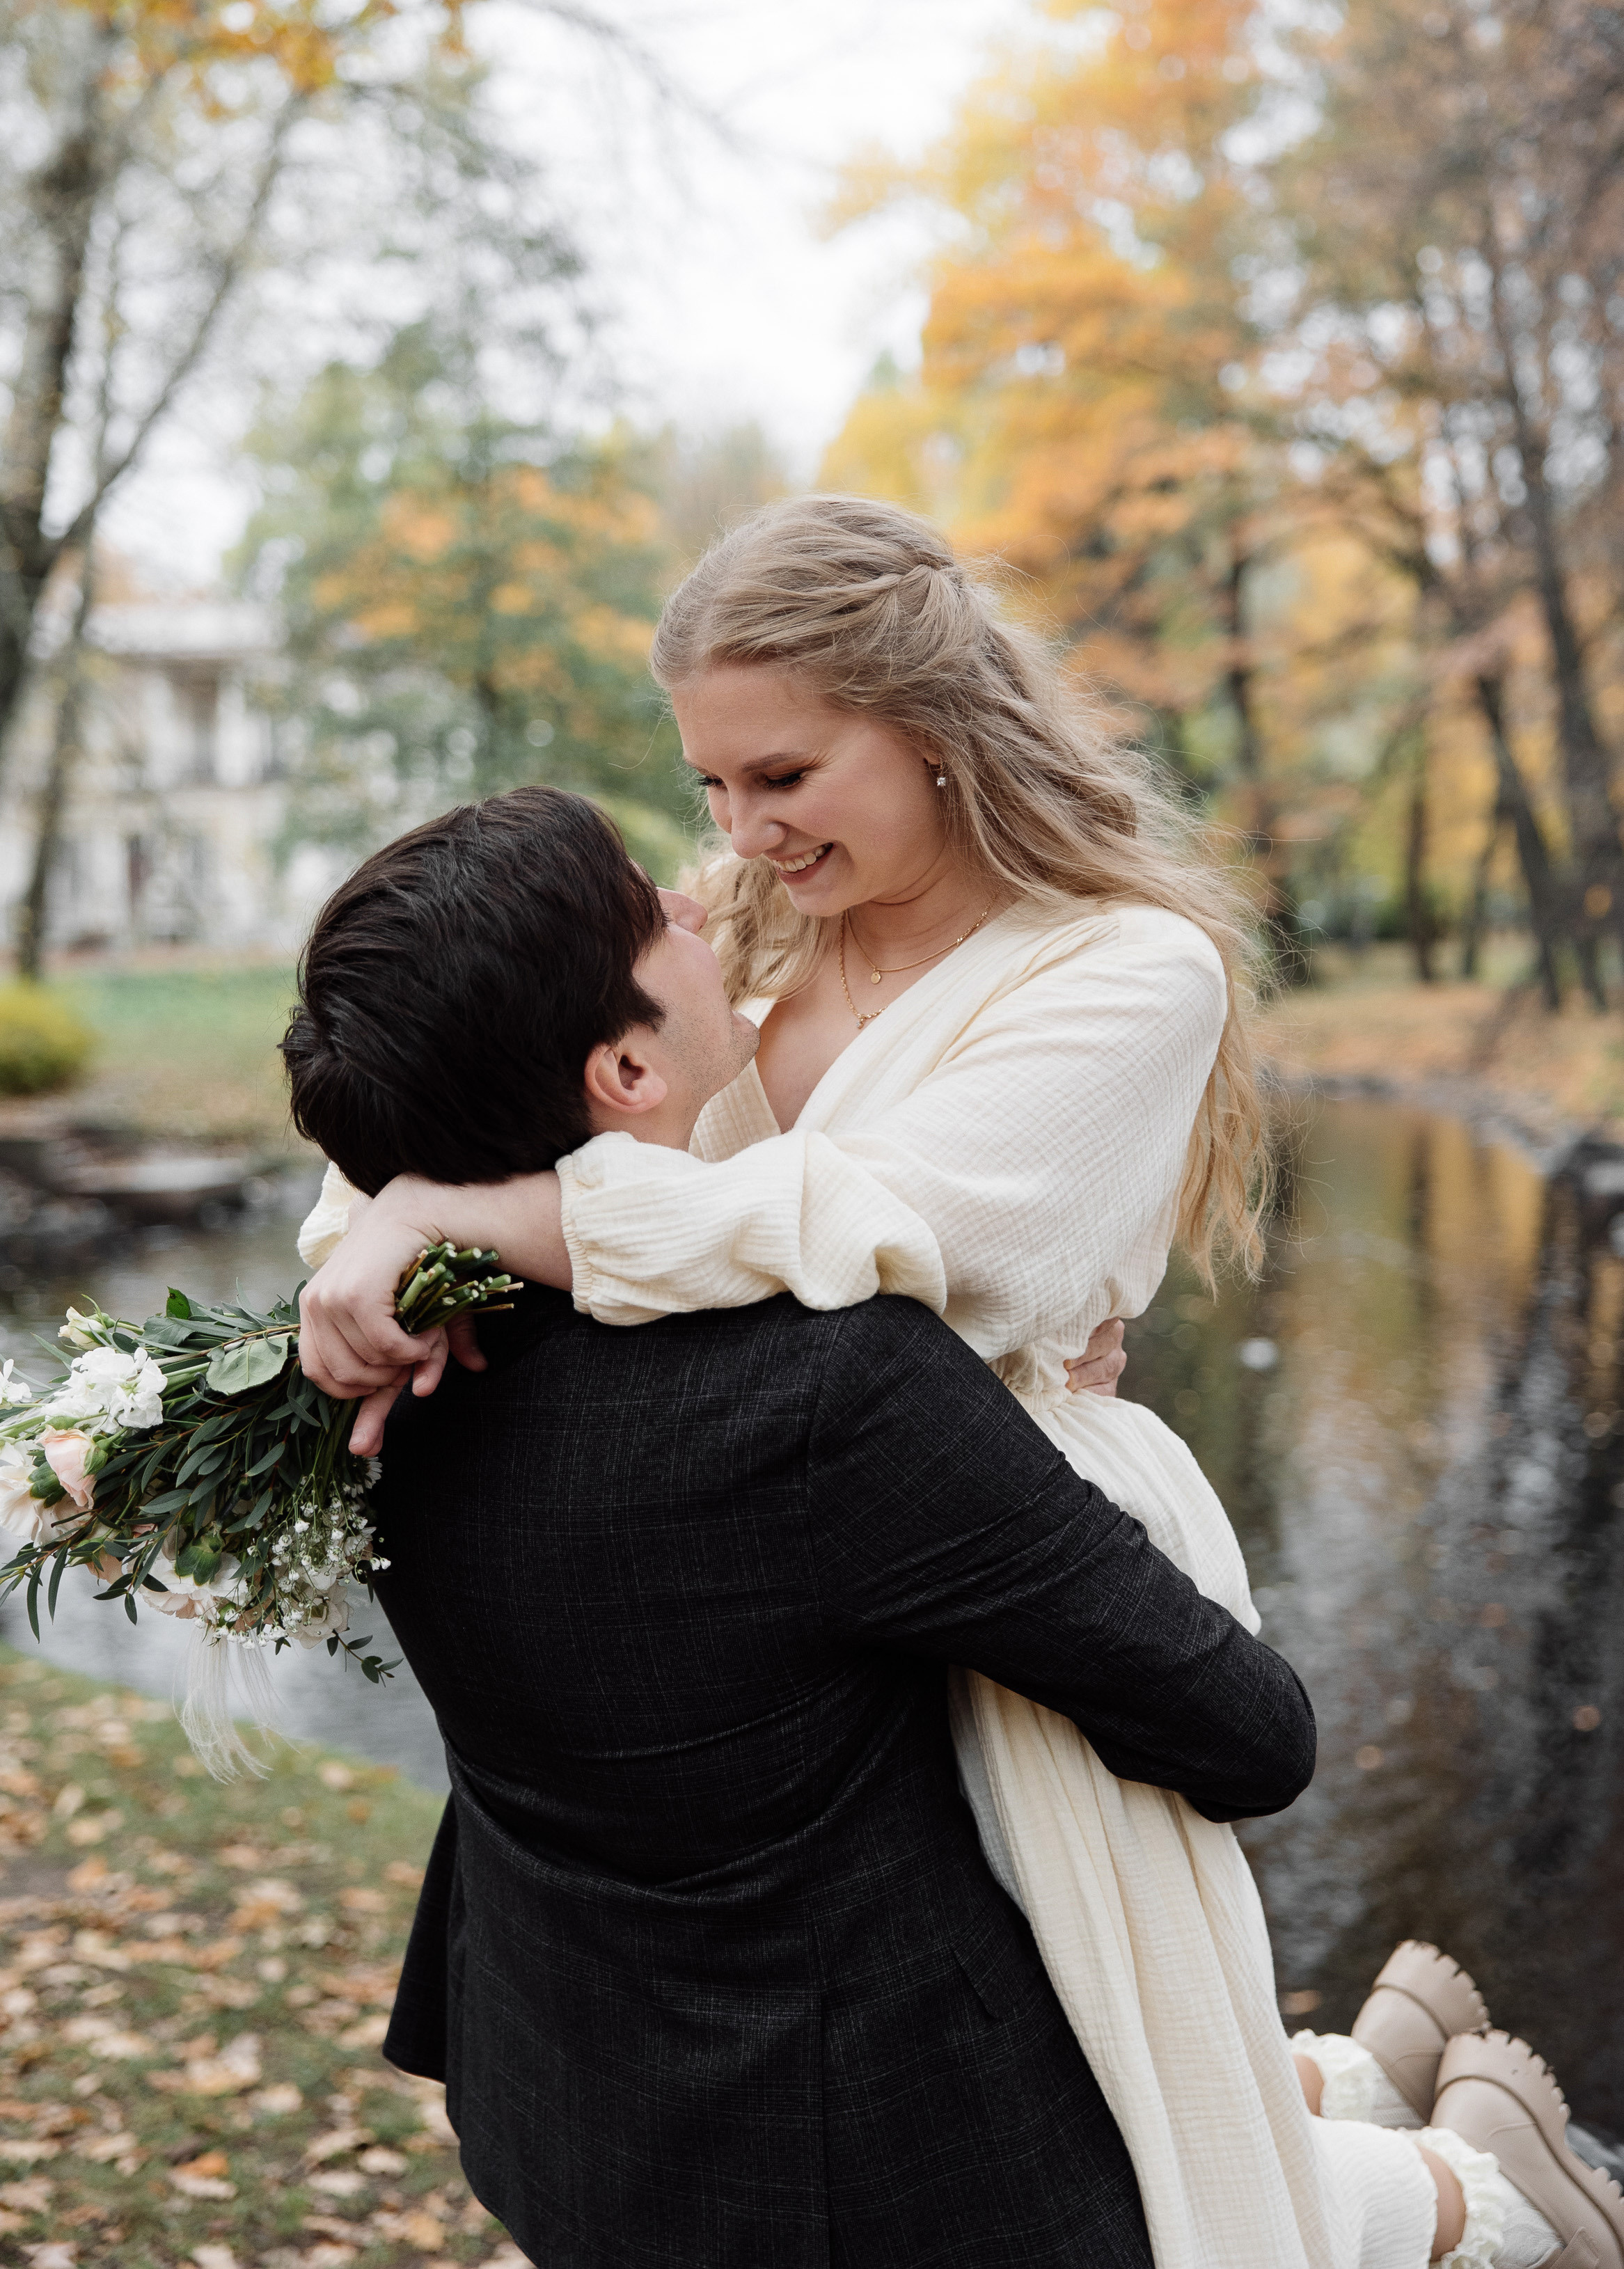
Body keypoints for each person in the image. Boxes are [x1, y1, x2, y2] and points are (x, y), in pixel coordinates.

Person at [294, 498, 1624, 2269]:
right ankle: (1346, 2094)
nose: (740, 839)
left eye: (780, 776)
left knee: (1097, 2028)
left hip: (984, 1531)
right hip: (777, 1555)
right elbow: (473, 1083)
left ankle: (1463, 2197)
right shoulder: (756, 938)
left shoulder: (1124, 971)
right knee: (1057, 2029)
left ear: (929, 728)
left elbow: (880, 1236)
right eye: (709, 790)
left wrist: (474, 1218)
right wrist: (370, 1229)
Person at [281, 784, 1321, 2268]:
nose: (702, 904)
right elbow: (1247, 1733)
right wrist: (1030, 1428)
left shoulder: (370, 1360)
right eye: (657, 913)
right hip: (882, 2180)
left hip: (560, 2091)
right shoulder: (830, 1391)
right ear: (628, 1066)